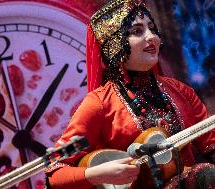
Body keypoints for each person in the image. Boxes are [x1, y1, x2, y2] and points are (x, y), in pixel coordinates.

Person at [45, 0, 215, 189]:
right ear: (115, 45)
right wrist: (96, 174)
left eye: (152, 28)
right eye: (137, 31)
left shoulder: (180, 91)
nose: (151, 37)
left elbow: (211, 145)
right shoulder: (99, 104)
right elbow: (54, 169)